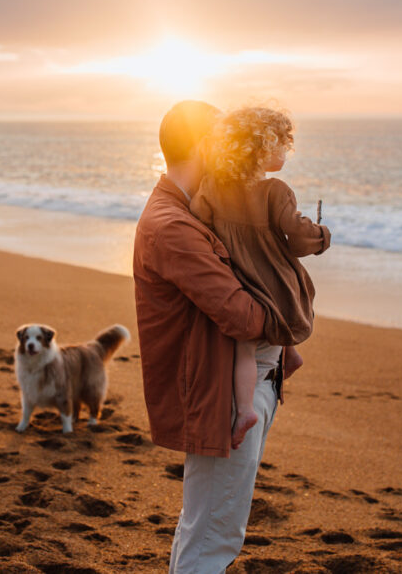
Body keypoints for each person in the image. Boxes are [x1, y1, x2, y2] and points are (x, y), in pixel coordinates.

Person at [133, 100, 290, 573]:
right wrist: (290, 305)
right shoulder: (173, 226)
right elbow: (243, 316)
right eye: (224, 138)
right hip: (219, 390)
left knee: (204, 526)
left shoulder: (196, 210)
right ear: (205, 145)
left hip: (239, 380)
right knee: (215, 535)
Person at [191, 105, 331, 450]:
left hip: (238, 278)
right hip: (271, 280)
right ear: (264, 148)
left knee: (243, 346)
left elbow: (199, 222)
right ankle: (245, 411)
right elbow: (297, 238)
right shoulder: (275, 191)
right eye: (283, 145)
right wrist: (322, 234)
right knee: (259, 329)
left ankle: (289, 356)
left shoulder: (212, 186)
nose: (286, 152)